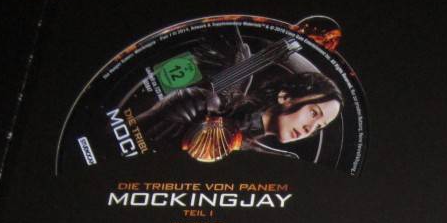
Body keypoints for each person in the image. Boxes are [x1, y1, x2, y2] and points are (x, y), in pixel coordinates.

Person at [136, 70, 343, 162]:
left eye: (319, 126)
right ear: (285, 96)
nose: (310, 129)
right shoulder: (202, 103)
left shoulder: (274, 161)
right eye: (313, 113)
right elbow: (131, 137)